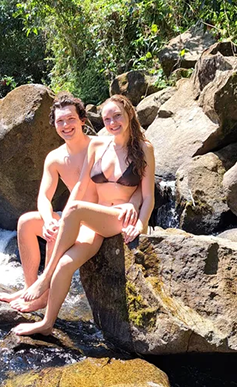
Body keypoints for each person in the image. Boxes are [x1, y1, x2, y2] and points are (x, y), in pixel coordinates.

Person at [12, 94, 155, 336]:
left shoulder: (144, 149)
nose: (112, 122)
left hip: (118, 219)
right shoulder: (98, 145)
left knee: (75, 210)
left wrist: (140, 223)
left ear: (129, 114)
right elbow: (81, 186)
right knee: (66, 263)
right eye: (107, 118)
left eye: (117, 116)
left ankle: (43, 280)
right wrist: (64, 217)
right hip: (93, 219)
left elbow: (148, 194)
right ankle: (46, 323)